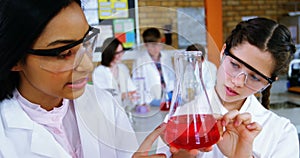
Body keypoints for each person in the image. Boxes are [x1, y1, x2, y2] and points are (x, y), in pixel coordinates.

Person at [0, 0, 139, 157]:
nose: (87, 66)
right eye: (64, 53)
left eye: (87, 43)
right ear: (15, 59)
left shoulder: (104, 104)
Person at [154, 17, 299, 157]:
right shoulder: (179, 117)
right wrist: (182, 155)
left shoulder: (282, 133)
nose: (237, 82)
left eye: (255, 77)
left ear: (268, 83)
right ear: (223, 52)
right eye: (235, 65)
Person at [132, 27, 175, 104]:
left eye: (158, 45)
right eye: (152, 46)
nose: (156, 48)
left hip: (168, 99)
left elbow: (171, 77)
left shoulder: (166, 57)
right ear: (145, 45)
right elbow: (137, 85)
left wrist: (172, 93)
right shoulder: (140, 61)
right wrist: (143, 102)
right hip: (150, 101)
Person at [93, 37, 137, 105]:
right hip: (108, 111)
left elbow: (131, 89)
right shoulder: (99, 72)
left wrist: (133, 95)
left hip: (123, 110)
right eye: (117, 53)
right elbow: (104, 97)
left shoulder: (123, 68)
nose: (120, 55)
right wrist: (123, 95)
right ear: (109, 53)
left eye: (121, 52)